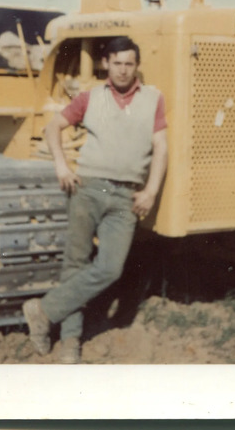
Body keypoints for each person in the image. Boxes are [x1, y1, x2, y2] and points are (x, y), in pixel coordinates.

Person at [22, 36, 168, 364]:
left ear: (137, 66)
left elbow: (161, 147)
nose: (123, 70)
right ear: (106, 64)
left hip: (126, 196)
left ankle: (42, 310)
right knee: (75, 264)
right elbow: (53, 127)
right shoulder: (90, 98)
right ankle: (70, 342)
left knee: (110, 268)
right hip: (89, 189)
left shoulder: (153, 99)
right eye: (117, 63)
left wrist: (151, 191)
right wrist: (62, 166)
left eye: (129, 64)